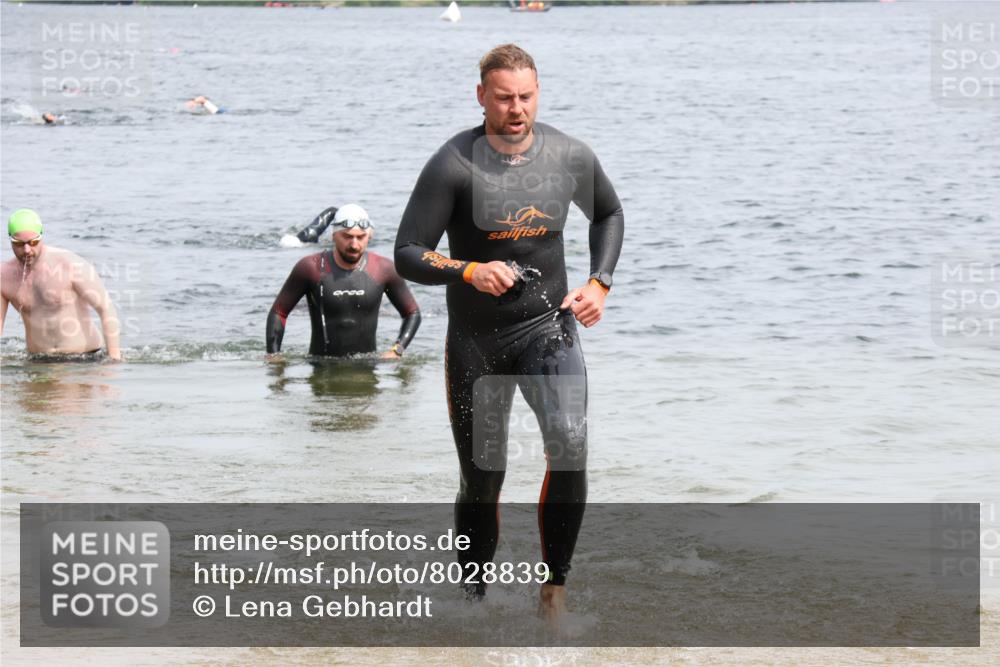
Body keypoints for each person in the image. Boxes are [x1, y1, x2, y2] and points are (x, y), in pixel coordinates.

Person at [394, 44, 623, 624]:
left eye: (525, 96)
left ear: (537, 93)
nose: (516, 109)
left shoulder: (568, 155)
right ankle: (473, 602)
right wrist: (467, 269)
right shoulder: (453, 163)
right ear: (482, 97)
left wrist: (599, 283)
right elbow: (406, 253)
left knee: (570, 446)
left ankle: (554, 589)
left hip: (549, 327)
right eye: (503, 98)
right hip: (477, 341)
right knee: (482, 478)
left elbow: (609, 214)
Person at [267, 204, 421, 359]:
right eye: (347, 236)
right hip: (321, 368)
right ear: (334, 235)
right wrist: (274, 356)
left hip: (367, 370)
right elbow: (279, 312)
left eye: (360, 237)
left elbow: (412, 313)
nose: (354, 244)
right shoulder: (310, 268)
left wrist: (397, 350)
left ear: (369, 236)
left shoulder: (384, 269)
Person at [1, 209, 122, 361]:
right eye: (19, 244)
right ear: (10, 240)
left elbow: (106, 309)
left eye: (33, 242)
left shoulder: (70, 264)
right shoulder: (3, 276)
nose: (27, 250)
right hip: (38, 362)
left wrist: (114, 360)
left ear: (41, 236)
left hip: (85, 359)